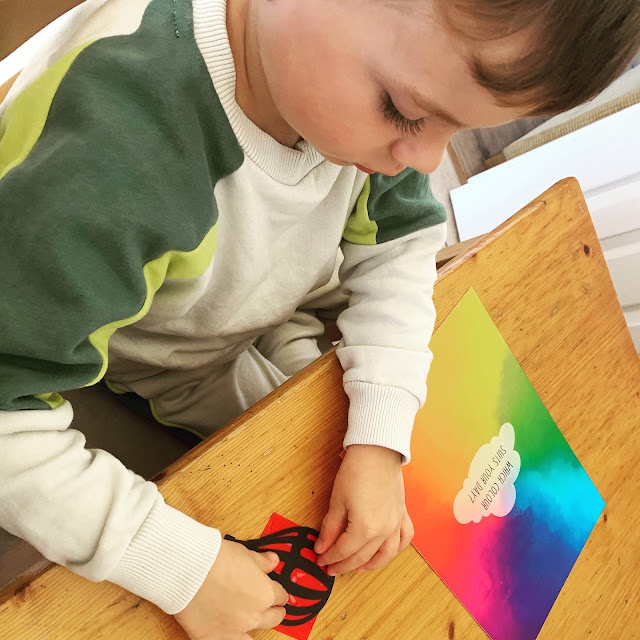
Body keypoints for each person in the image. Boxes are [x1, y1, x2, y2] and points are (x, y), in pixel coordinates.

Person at [1, 0, 638, 638]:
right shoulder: (110, 155)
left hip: (248, 305)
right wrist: (181, 566)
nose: (423, 162)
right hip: (129, 362)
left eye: (455, 130)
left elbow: (403, 240)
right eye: (406, 111)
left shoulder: (328, 76)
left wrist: (380, 436)